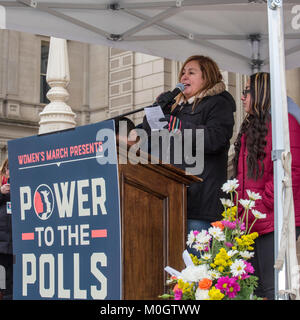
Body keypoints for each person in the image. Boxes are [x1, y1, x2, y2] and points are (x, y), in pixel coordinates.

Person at [142, 55, 236, 235]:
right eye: (183, 73)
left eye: (191, 72)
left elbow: (215, 139)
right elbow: (148, 132)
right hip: (173, 202)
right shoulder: (176, 107)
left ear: (206, 77)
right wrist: (159, 107)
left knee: (196, 261)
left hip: (200, 205)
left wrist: (177, 126)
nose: (184, 77)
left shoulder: (218, 103)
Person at [233, 72, 300, 299]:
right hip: (254, 217)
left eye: (247, 91)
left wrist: (261, 205)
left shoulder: (285, 123)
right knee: (258, 288)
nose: (242, 97)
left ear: (262, 93)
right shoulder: (251, 126)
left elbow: (292, 169)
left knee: (272, 288)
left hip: (274, 216)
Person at [0, 158, 13, 300]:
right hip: (1, 249)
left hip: (15, 249)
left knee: (11, 287)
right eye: (9, 168)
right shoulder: (2, 189)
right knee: (1, 284)